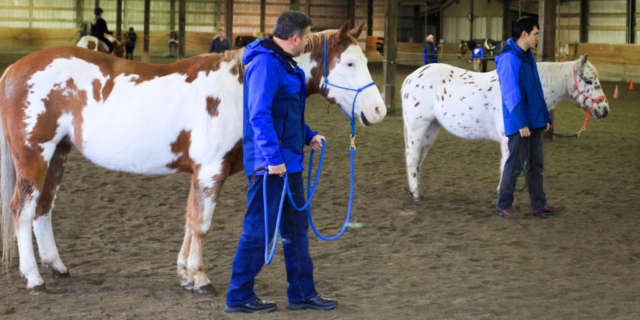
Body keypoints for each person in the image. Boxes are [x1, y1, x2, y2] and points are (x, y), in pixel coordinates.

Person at [225, 11, 337, 313]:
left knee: (296, 230)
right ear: (295, 38)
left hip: (290, 165)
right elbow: (258, 115)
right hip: (270, 167)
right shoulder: (265, 65)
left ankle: (302, 292)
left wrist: (308, 135)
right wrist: (273, 160)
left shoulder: (286, 66)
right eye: (307, 36)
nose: (308, 43)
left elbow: (287, 114)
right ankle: (238, 295)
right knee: (259, 230)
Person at [495, 16, 565, 219]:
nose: (537, 38)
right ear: (524, 34)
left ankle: (539, 204)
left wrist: (544, 116)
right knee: (515, 164)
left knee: (536, 164)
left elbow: (536, 90)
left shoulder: (528, 57)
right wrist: (522, 122)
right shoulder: (509, 59)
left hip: (534, 121)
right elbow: (511, 94)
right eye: (535, 34)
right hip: (521, 124)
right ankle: (503, 204)